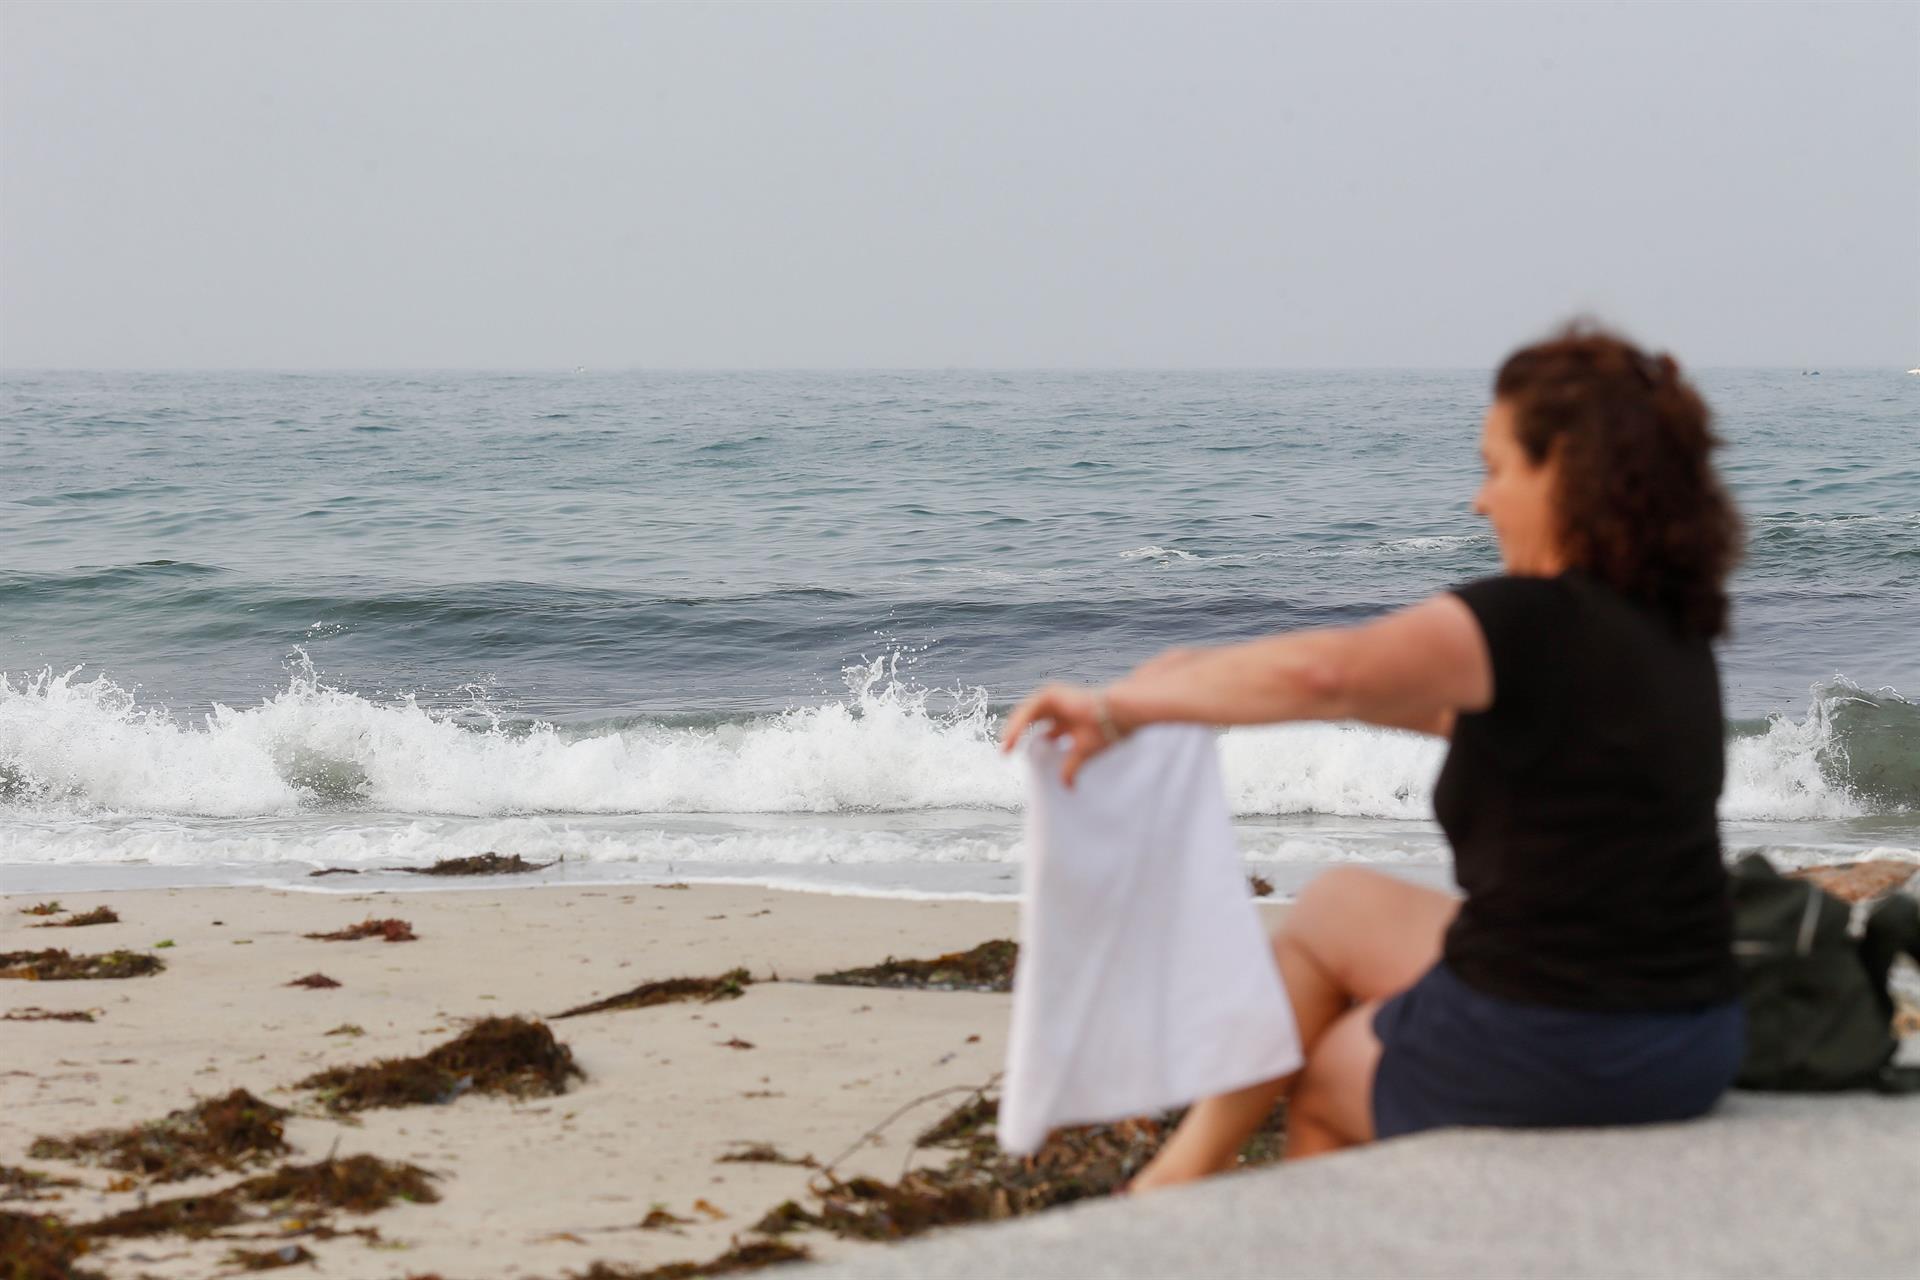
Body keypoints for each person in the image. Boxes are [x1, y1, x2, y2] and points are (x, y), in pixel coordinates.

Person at [1001, 323, 1747, 1186]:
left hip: (1573, 1036)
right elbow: (1425, 707)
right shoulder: (1665, 627)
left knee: (1324, 1086)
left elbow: (1329, 673)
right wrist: (1191, 683)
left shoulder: (1526, 620)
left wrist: (1112, 706)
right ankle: (1174, 1180)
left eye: (1497, 468)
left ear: (1566, 477)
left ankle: (1188, 1202)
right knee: (1335, 908)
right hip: (1692, 1029)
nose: (1481, 500)